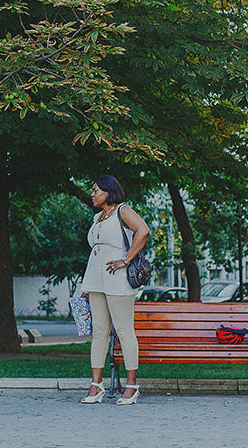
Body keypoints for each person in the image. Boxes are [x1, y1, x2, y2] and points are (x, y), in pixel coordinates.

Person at [79, 174, 150, 405]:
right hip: (95, 279)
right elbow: (95, 252)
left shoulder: (123, 211)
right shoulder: (98, 217)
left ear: (109, 192)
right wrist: (86, 285)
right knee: (99, 331)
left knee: (124, 329)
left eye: (97, 190)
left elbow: (143, 231)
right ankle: (96, 385)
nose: (93, 194)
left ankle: (131, 386)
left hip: (117, 278)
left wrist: (126, 260)